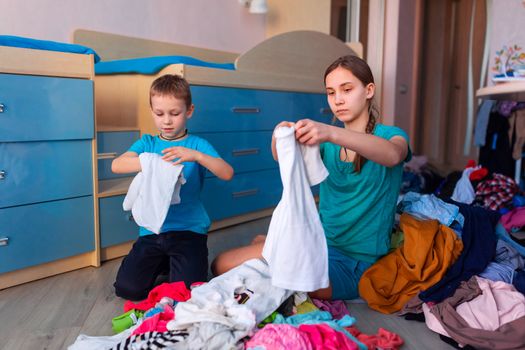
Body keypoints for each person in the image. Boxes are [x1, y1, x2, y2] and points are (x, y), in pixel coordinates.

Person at [211, 55, 410, 300]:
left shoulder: (390, 135)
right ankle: (273, 245)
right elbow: (283, 159)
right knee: (220, 265)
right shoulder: (325, 143)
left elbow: (392, 155)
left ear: (369, 90)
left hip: (356, 263)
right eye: (331, 92)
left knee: (290, 284)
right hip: (315, 243)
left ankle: (270, 245)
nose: (338, 100)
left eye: (346, 89)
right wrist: (279, 139)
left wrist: (331, 132)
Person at [112, 74, 234, 301]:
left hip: (188, 230)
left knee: (186, 293)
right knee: (128, 289)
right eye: (159, 114)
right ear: (152, 111)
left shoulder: (197, 145)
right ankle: (163, 262)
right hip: (152, 230)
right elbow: (117, 165)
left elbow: (227, 173)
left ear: (189, 111)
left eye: (174, 113)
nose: (166, 121)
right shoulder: (148, 144)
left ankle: (174, 263)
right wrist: (152, 162)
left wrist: (196, 156)